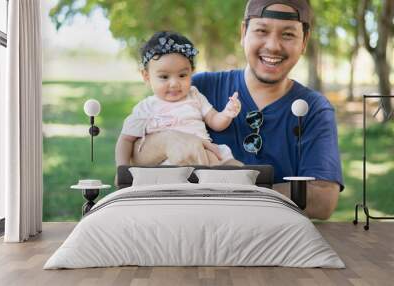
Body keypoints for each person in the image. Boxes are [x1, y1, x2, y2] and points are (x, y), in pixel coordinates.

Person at [116, 0, 344, 220]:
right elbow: (134, 160)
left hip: (272, 239)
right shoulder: (196, 88)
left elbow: (322, 200)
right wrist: (166, 142)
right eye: (262, 31)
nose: (273, 45)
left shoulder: (315, 109)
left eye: (288, 34)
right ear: (243, 33)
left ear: (304, 41)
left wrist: (233, 187)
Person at [116, 31, 242, 167]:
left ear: (191, 72)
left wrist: (227, 113)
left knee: (236, 165)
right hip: (171, 160)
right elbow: (126, 140)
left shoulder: (194, 95)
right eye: (164, 77)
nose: (174, 83)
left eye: (182, 75)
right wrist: (121, 170)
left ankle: (251, 183)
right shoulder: (146, 108)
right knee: (219, 165)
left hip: (205, 150)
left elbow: (214, 121)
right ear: (146, 76)